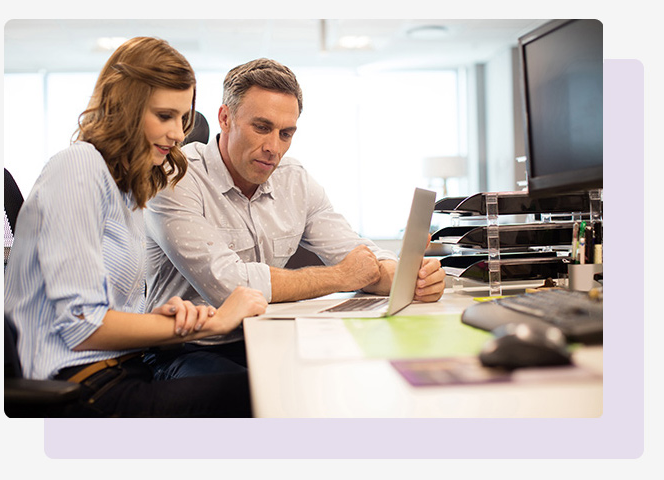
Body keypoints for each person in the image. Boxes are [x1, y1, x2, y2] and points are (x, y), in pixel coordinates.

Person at [3, 37, 267, 418]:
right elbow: (83, 327)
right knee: (264, 391)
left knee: (262, 378)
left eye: (183, 118)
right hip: (80, 384)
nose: (179, 134)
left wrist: (159, 317)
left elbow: (103, 308)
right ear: (124, 109)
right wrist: (215, 322)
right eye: (165, 116)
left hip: (123, 369)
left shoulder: (126, 188)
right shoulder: (78, 167)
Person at [143, 58, 446, 377]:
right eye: (262, 128)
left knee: (358, 370)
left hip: (268, 334)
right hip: (188, 347)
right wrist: (341, 277)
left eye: (286, 133)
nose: (273, 148)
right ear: (225, 118)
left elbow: (356, 253)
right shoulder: (175, 177)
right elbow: (229, 285)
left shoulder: (294, 179)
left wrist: (409, 278)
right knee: (248, 388)